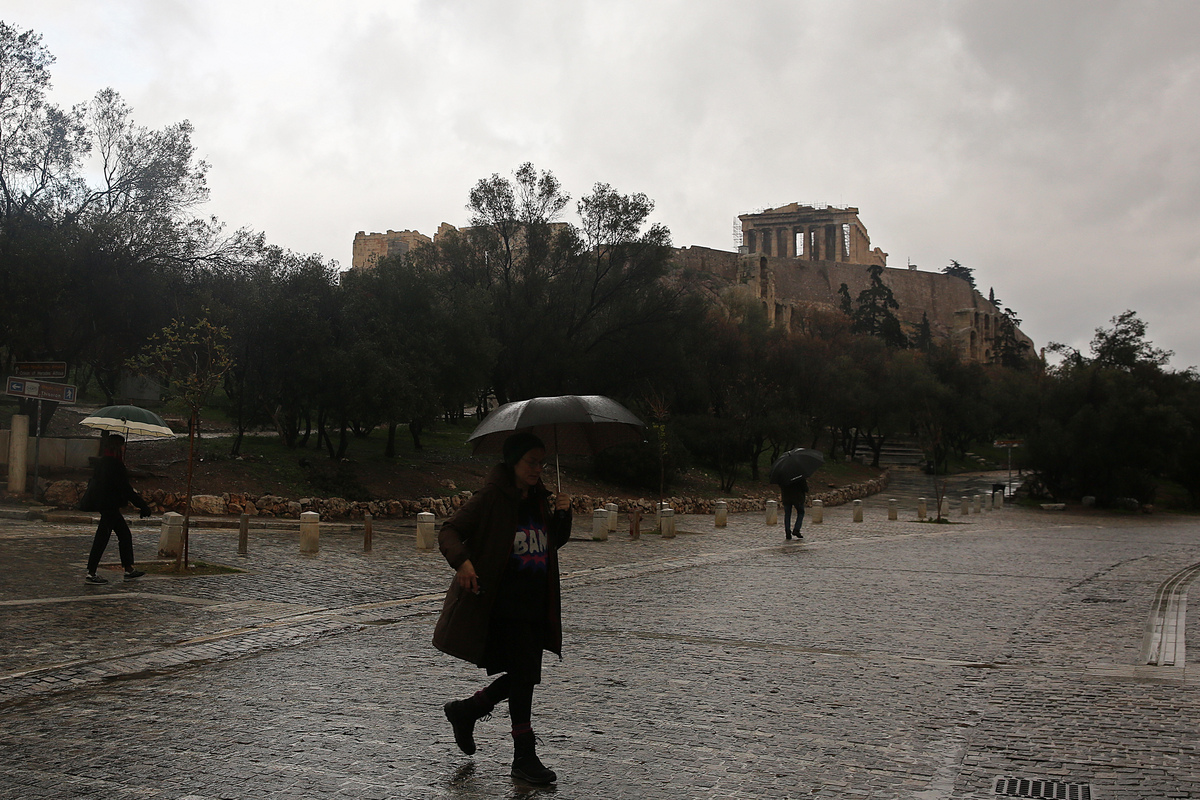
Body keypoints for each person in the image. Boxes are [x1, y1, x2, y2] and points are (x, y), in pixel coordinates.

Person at [433, 432, 572, 785]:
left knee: (524, 674)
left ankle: (468, 710)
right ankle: (523, 756)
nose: (538, 469)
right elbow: (449, 531)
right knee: (524, 676)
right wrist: (462, 563)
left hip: (535, 602)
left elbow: (550, 541)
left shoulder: (539, 498)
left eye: (542, 462)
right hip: (503, 602)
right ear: (513, 461)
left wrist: (563, 514)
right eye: (531, 462)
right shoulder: (493, 497)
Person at [83, 434, 151, 584]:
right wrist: (142, 505)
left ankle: (128, 569)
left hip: (105, 505)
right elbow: (126, 489)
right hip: (110, 506)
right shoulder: (115, 465)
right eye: (122, 445)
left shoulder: (102, 462)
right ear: (117, 447)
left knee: (124, 535)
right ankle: (91, 573)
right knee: (102, 538)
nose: (124, 448)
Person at [781, 475, 808, 540]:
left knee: (787, 515)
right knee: (801, 513)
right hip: (797, 498)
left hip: (786, 497)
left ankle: (787, 531)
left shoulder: (783, 476)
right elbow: (805, 488)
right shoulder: (800, 476)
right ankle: (796, 529)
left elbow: (781, 486)